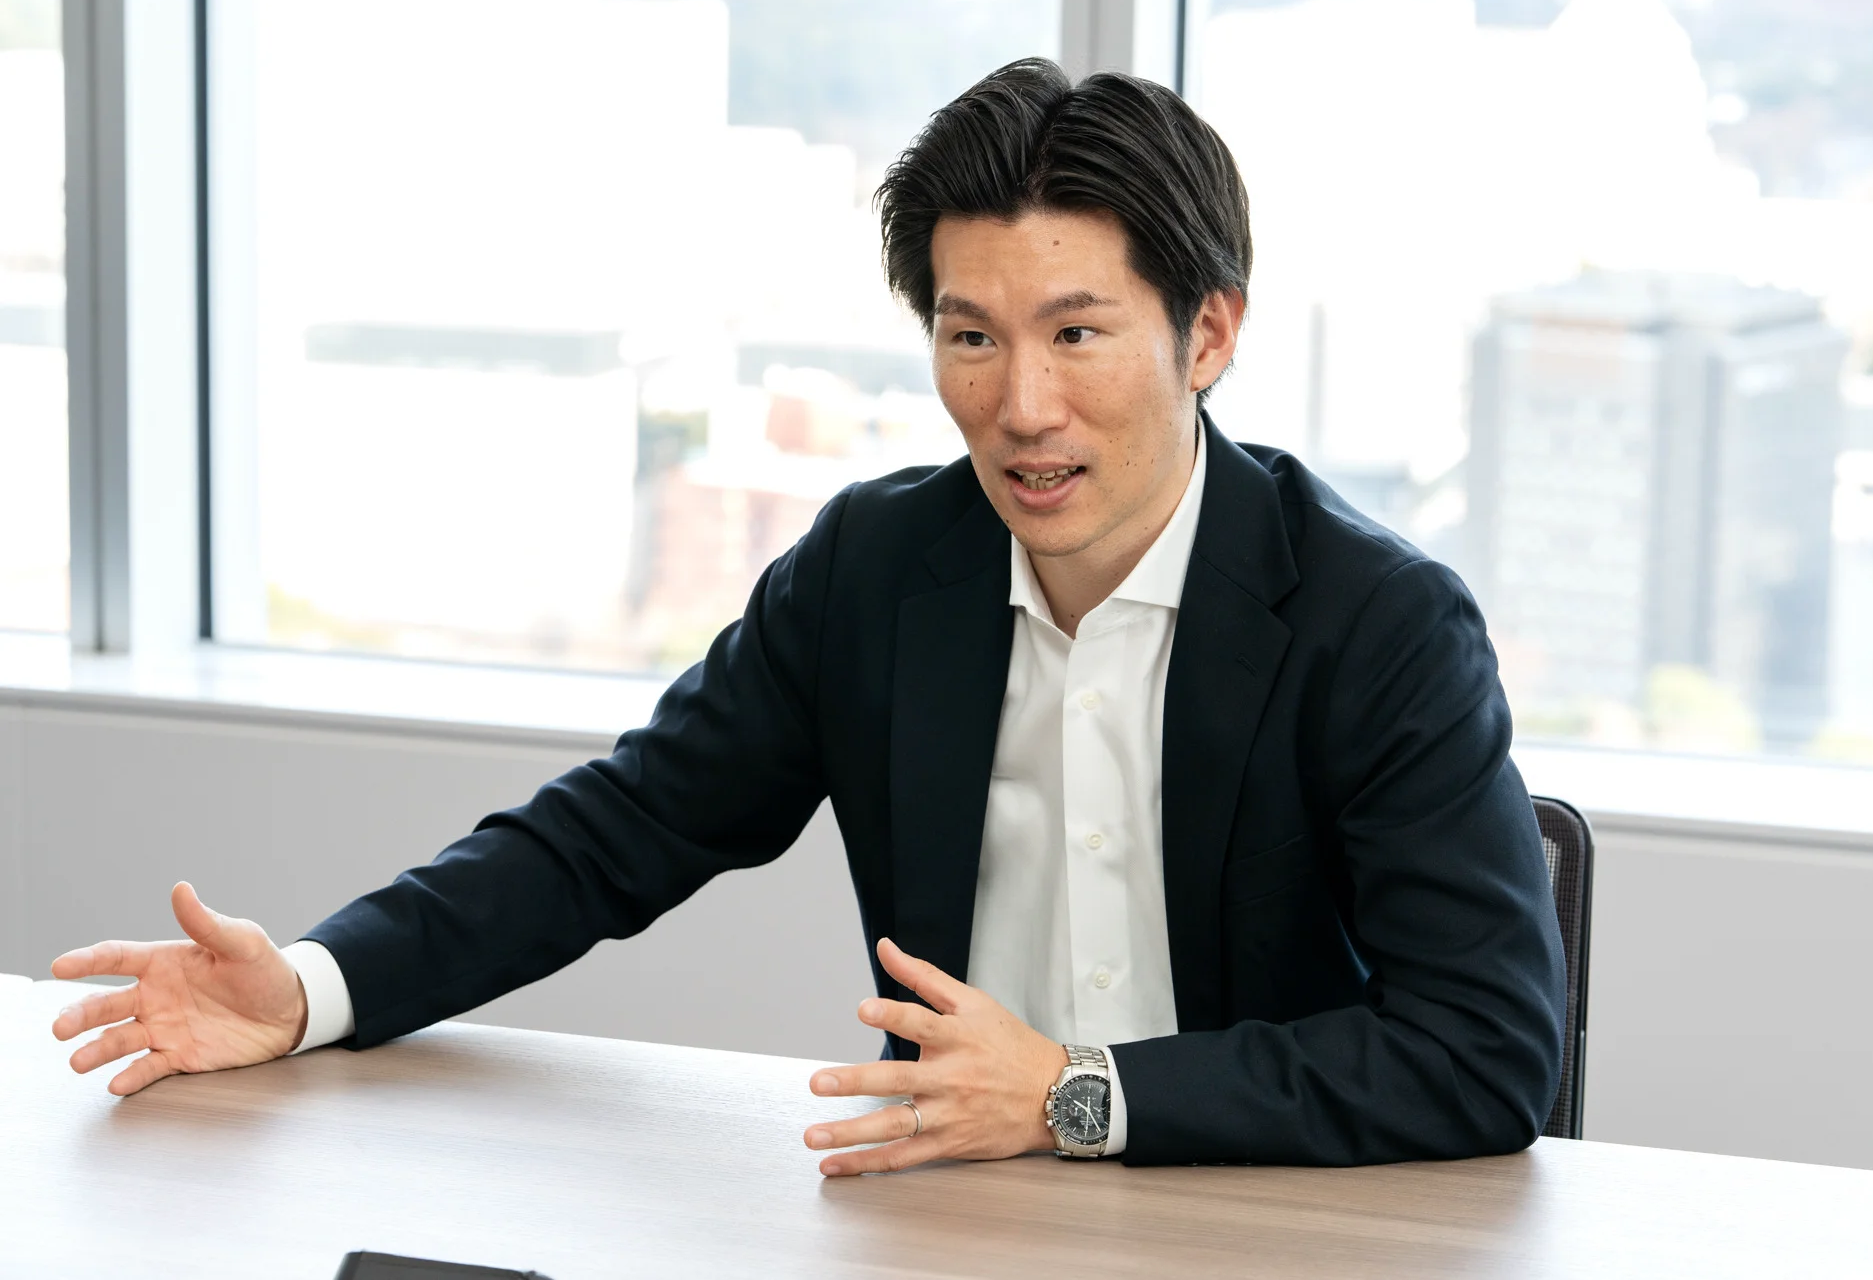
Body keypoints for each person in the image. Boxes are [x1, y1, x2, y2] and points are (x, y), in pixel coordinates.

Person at [50, 57, 1566, 1174]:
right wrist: (311, 989)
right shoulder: (876, 573)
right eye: (971, 338)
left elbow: (1488, 1052)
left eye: (1077, 333)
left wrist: (1073, 1095)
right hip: (951, 1218)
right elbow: (614, 835)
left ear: (1209, 332)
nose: (1022, 407)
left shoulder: (1377, 625)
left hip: (1277, 1231)